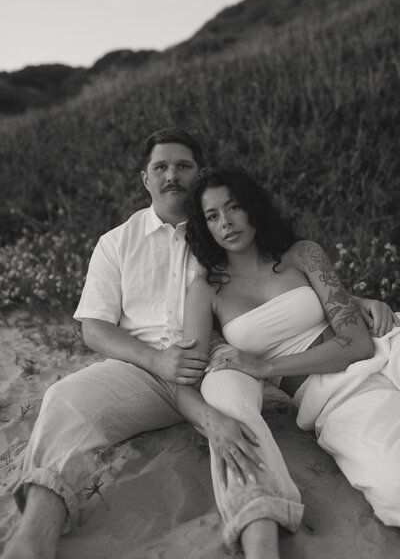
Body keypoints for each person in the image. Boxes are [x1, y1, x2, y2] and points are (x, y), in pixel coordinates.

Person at [3, 129, 397, 559]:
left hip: (218, 360)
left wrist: (348, 300)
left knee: (229, 400)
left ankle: (258, 526)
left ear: (200, 173)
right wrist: (158, 361)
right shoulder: (117, 243)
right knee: (63, 397)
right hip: (145, 368)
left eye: (183, 166)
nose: (172, 175)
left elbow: (279, 272)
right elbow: (94, 329)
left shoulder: (221, 233)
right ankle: (36, 531)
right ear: (145, 178)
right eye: (161, 167)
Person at [177, 166, 400, 557]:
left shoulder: (303, 253)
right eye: (212, 216)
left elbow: (358, 343)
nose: (226, 222)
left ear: (253, 208)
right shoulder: (205, 290)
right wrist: (212, 420)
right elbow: (185, 375)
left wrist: (264, 368)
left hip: (388, 349)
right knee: (393, 487)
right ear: (204, 226)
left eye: (234, 207)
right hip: (334, 398)